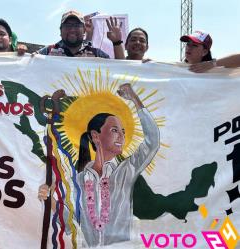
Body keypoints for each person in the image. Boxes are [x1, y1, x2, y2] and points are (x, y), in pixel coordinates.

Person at [39, 83, 160, 247]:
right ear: (96, 136)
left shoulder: (126, 171)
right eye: (115, 130)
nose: (121, 138)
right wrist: (49, 199)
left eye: (123, 132)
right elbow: (71, 224)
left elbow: (152, 142)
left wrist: (134, 99)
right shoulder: (78, 179)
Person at [37, 10, 124, 58]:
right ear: (60, 30)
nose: (72, 29)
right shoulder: (46, 52)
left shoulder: (98, 55)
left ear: (84, 30)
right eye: (67, 25)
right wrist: (23, 52)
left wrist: (117, 43)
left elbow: (119, 73)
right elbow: (26, 64)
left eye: (77, 25)